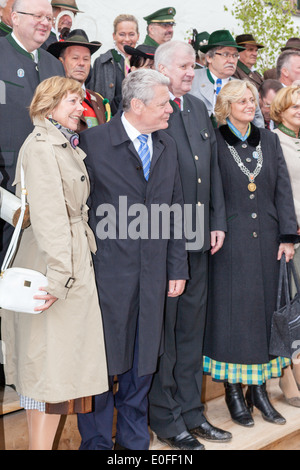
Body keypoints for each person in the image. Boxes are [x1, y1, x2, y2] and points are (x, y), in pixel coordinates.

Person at [77, 69, 189, 451]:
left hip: (154, 274)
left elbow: (174, 210)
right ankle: (95, 443)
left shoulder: (166, 145)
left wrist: (177, 268)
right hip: (106, 276)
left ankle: (134, 444)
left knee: (143, 363)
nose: (170, 110)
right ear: (136, 105)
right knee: (102, 362)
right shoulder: (91, 143)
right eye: (163, 103)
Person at [1, 76, 108, 450]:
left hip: (63, 259)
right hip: (55, 263)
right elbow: (49, 218)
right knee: (48, 375)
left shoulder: (59, 143)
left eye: (80, 101)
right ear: (48, 105)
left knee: (48, 373)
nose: (80, 107)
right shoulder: (45, 147)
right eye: (71, 101)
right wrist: (60, 278)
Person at [203, 79, 299, 428]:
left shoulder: (269, 139)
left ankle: (257, 391)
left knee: (263, 316)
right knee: (233, 317)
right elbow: (211, 192)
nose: (251, 105)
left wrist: (288, 236)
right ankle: (232, 391)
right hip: (230, 243)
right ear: (226, 106)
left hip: (270, 241)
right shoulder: (214, 141)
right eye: (242, 100)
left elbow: (282, 191)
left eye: (252, 99)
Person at [148, 40, 230, 451]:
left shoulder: (197, 107)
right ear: (161, 68)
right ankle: (166, 418)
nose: (189, 71)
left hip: (199, 238)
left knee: (192, 331)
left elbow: (211, 169)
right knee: (167, 332)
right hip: (165, 240)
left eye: (191, 66)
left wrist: (217, 221)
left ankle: (192, 413)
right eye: (182, 65)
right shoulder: (151, 109)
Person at [0, 0, 64, 266]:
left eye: (48, 18)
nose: (45, 23)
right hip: (6, 179)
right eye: (37, 16)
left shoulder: (54, 66)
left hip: (44, 181)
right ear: (14, 18)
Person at [270, 85, 300, 407]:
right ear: (280, 110)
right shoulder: (274, 141)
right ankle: (288, 372)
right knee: (290, 306)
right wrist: (287, 232)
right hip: (291, 235)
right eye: (295, 107)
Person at [190, 29, 264, 128]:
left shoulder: (245, 88)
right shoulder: (191, 79)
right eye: (225, 55)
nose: (231, 60)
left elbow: (257, 124)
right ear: (209, 58)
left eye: (235, 55)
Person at [47, 28, 111, 131]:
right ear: (61, 62)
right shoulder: (51, 98)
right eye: (75, 58)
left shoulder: (99, 100)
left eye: (86, 59)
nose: (81, 63)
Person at [88, 14, 139, 115]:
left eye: (131, 34)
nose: (127, 39)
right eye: (122, 34)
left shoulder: (144, 63)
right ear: (114, 36)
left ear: (138, 36)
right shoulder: (102, 62)